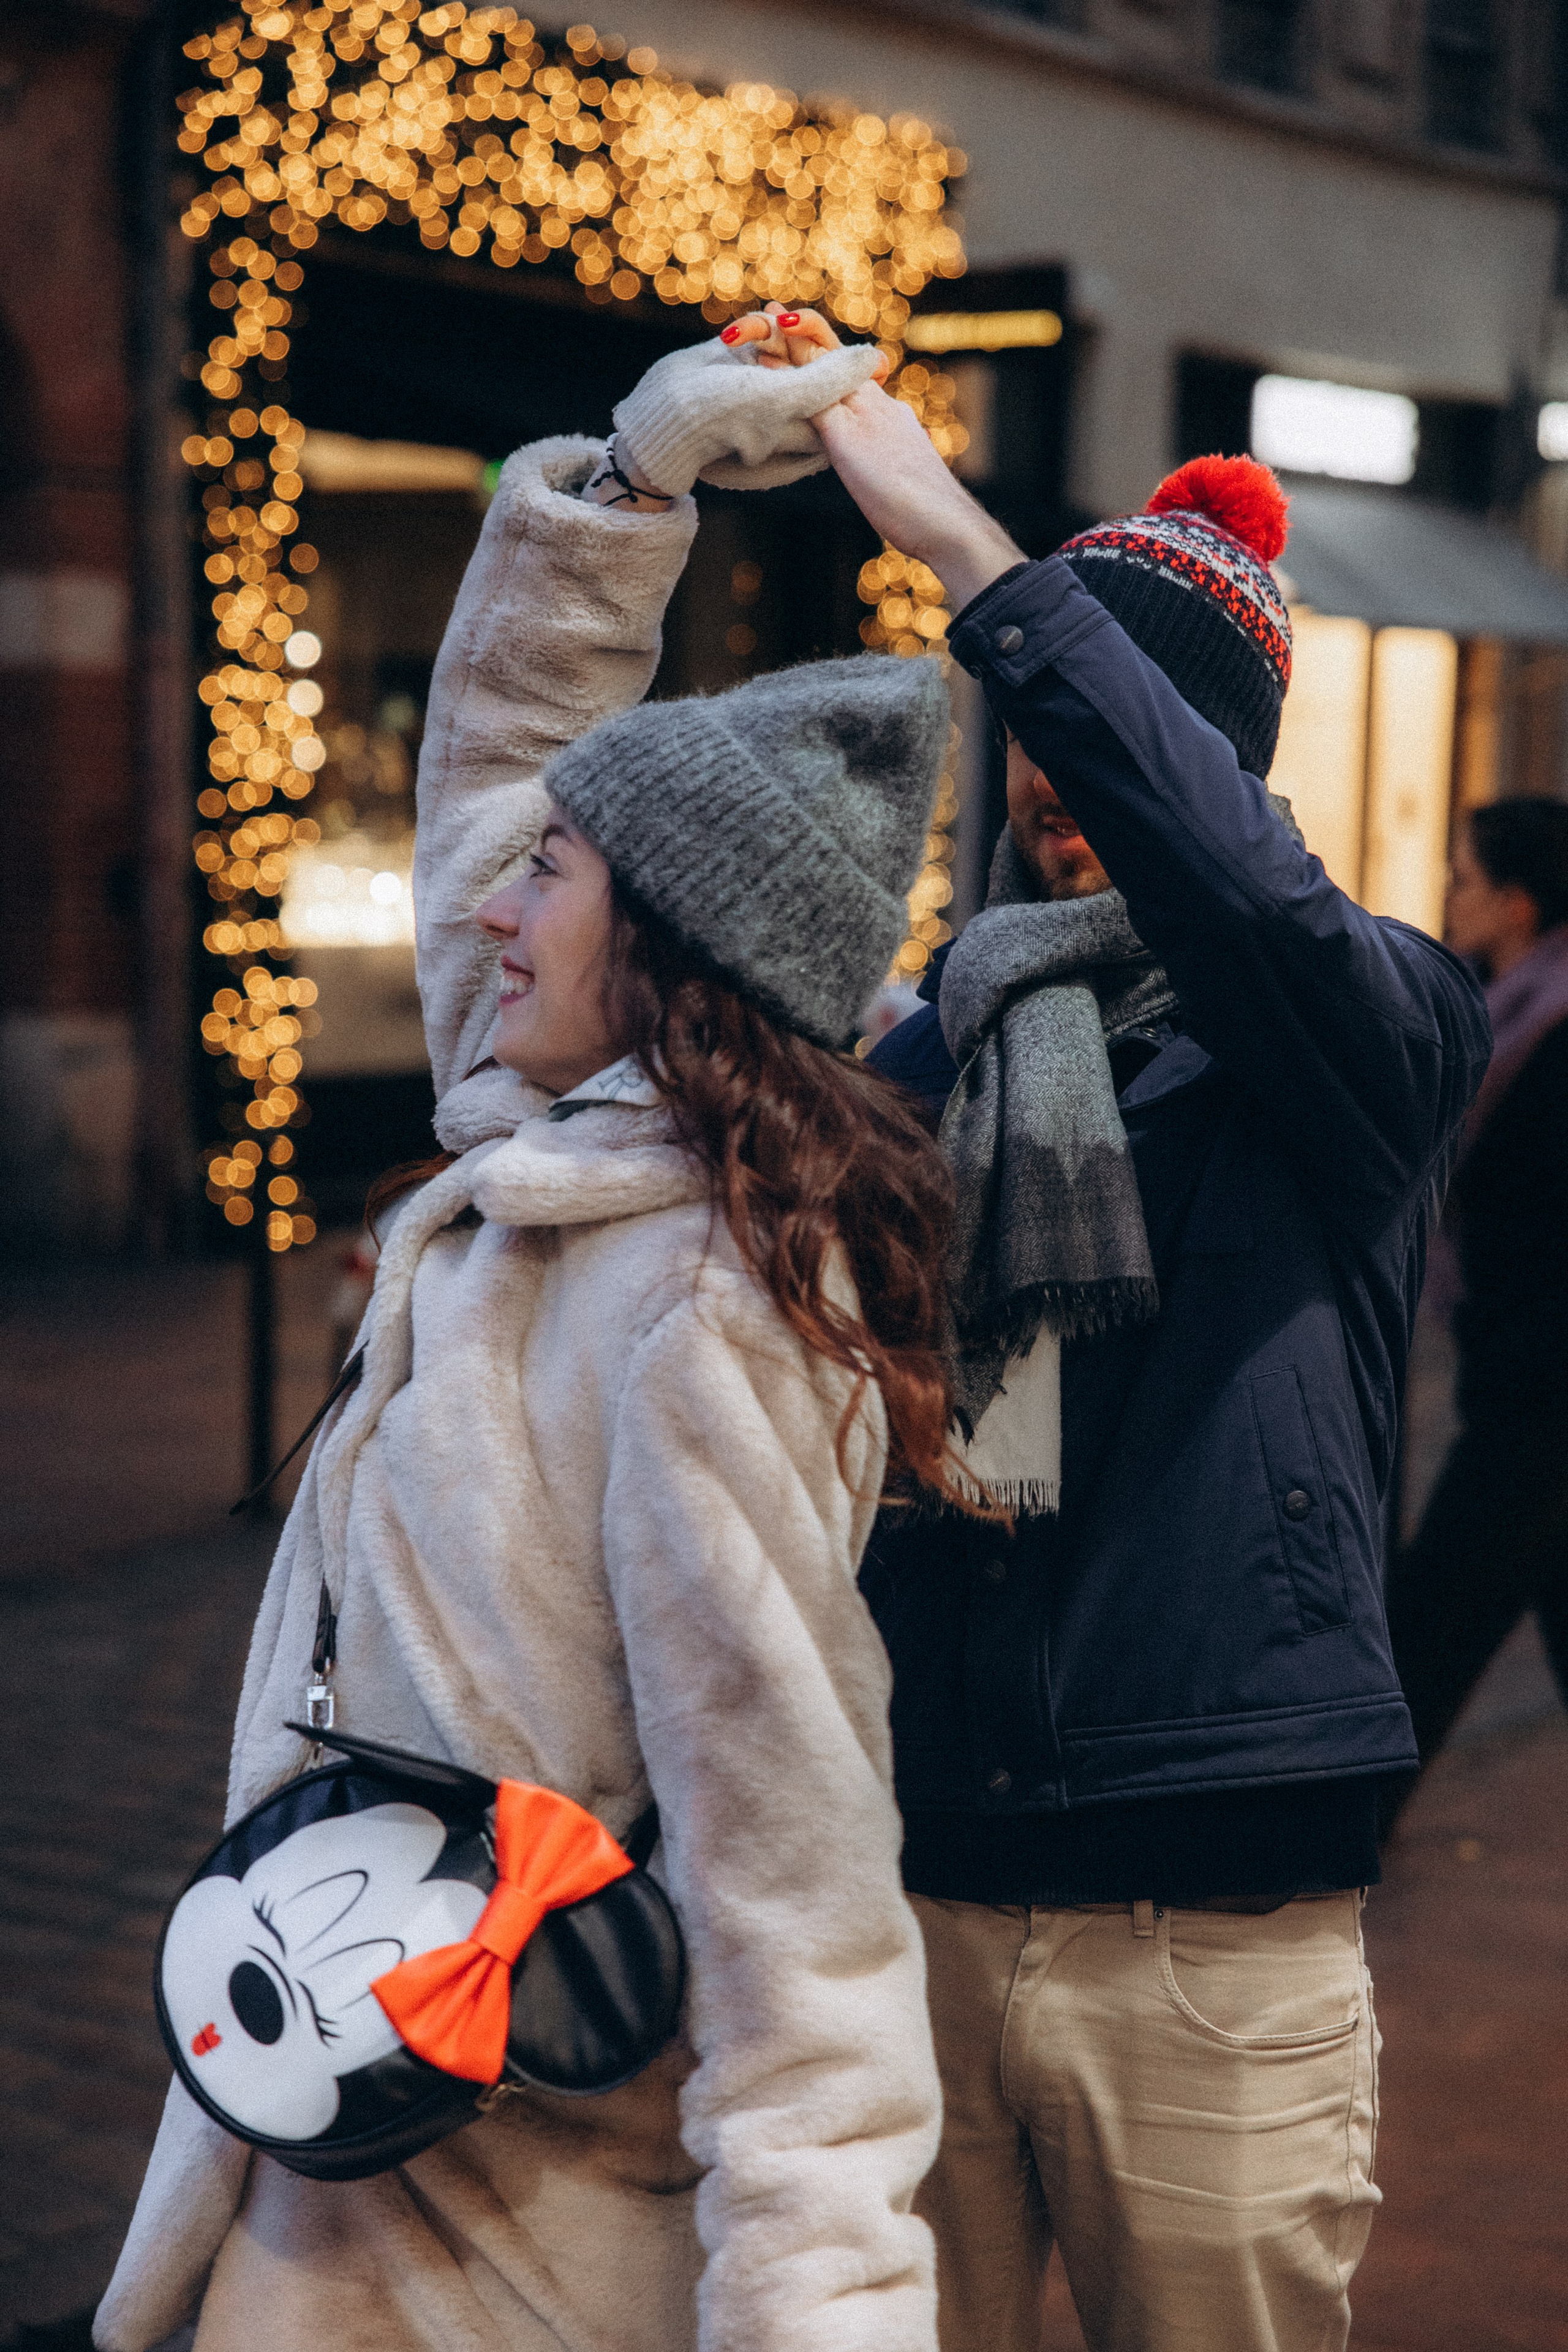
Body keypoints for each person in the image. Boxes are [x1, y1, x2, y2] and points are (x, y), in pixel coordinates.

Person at [96, 329, 959, 2352]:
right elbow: (499, 770)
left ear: (663, 950)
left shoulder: (704, 1315)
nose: (492, 909)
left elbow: (799, 1896)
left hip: (505, 2236)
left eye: (551, 878)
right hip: (353, 2124)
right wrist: (633, 481)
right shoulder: (552, 1135)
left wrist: (821, 2309)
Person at [802, 377, 1491, 2351]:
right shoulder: (933, 1038)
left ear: (1207, 759)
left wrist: (977, 559)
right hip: (918, 1879)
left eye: (1110, 731)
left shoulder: (1371, 1024)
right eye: (1036, 743)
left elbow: (1247, 897)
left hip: (1210, 1921)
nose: (1052, 780)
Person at [1384, 798, 1568, 1783]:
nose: (1449, 896)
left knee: (1420, 1649)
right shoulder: (1507, 1015)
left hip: (1537, 1406)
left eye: (1463, 879)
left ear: (1516, 903)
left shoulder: (1552, 1031)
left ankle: (1327, 1846)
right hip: (1526, 1394)